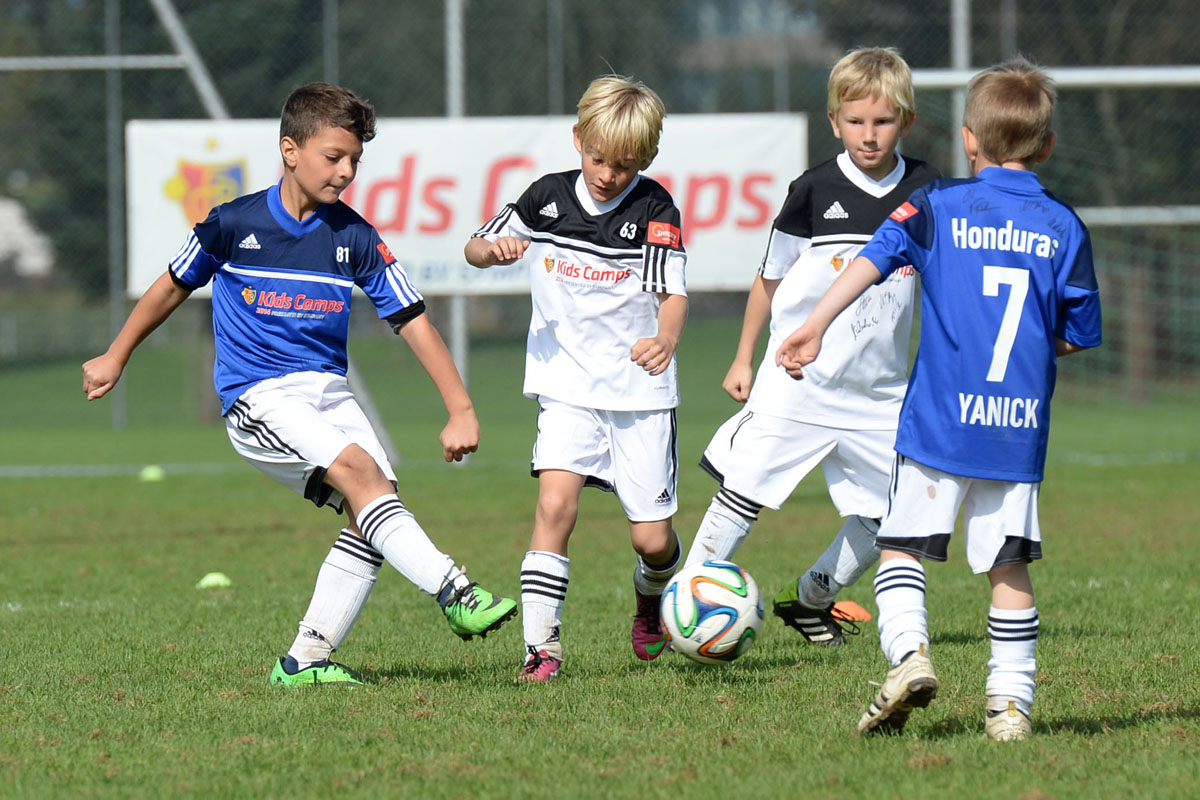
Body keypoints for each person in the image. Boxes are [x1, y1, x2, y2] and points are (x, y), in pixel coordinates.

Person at [82, 82, 517, 687]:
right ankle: (455, 590)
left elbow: (413, 321)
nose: (346, 172)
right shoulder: (234, 224)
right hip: (258, 396)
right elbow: (169, 288)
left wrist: (460, 407)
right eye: (333, 157)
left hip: (328, 392)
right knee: (364, 478)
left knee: (375, 500)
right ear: (290, 150)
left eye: (355, 162)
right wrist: (115, 355)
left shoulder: (356, 238)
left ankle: (304, 661)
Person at [776, 58, 1102, 740]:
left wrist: (813, 325)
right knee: (1008, 566)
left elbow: (872, 258)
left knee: (901, 549)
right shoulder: (1065, 226)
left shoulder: (936, 206)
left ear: (969, 140)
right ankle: (1010, 707)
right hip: (1014, 428)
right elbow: (1075, 334)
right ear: (1045, 146)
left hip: (938, 424)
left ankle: (909, 657)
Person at [684, 47, 940, 647]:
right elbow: (769, 278)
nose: (868, 135)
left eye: (881, 121)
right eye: (855, 122)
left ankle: (812, 597)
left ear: (905, 119)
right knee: (741, 491)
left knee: (898, 514)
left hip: (879, 393)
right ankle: (690, 602)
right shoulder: (813, 189)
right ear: (834, 121)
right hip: (798, 379)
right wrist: (743, 356)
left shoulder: (930, 189)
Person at [464, 74, 687, 681]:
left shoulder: (654, 209)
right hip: (566, 386)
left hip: (640, 395)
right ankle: (543, 651)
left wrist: (665, 338)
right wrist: (495, 252)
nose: (608, 174)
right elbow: (474, 248)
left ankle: (651, 595)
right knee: (555, 506)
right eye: (597, 157)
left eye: (624, 163)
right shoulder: (546, 197)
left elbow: (671, 295)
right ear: (577, 139)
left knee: (651, 541)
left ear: (645, 159)